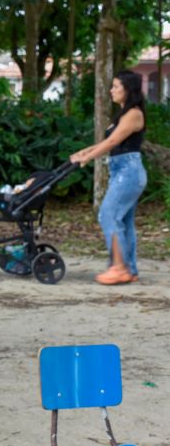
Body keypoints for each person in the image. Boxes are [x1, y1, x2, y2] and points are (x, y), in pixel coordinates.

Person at [71, 70, 147, 285]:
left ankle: (119, 268)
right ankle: (128, 269)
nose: (111, 90)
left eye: (115, 86)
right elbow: (109, 141)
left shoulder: (134, 113)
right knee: (123, 220)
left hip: (129, 172)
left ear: (128, 89)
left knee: (108, 215)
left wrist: (89, 158)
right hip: (121, 171)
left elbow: (112, 143)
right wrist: (84, 152)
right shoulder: (122, 114)